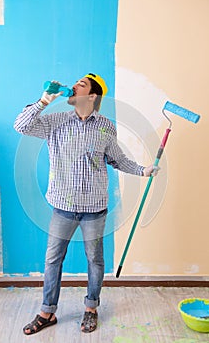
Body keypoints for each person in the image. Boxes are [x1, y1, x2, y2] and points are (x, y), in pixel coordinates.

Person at [14, 73, 159, 335]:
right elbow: (21, 126)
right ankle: (47, 312)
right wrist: (43, 101)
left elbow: (118, 160)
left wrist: (143, 170)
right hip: (62, 206)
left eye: (81, 84)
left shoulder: (105, 126)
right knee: (52, 260)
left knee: (95, 260)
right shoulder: (56, 121)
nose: (73, 86)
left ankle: (91, 309)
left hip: (95, 209)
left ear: (92, 96)